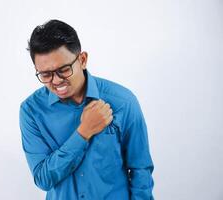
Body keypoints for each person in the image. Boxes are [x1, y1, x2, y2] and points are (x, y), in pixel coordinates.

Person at [19, 19, 154, 200]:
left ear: (82, 60)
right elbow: (43, 179)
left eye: (64, 69)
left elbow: (140, 170)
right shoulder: (32, 111)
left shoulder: (123, 102)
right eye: (46, 74)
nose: (57, 80)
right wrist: (83, 132)